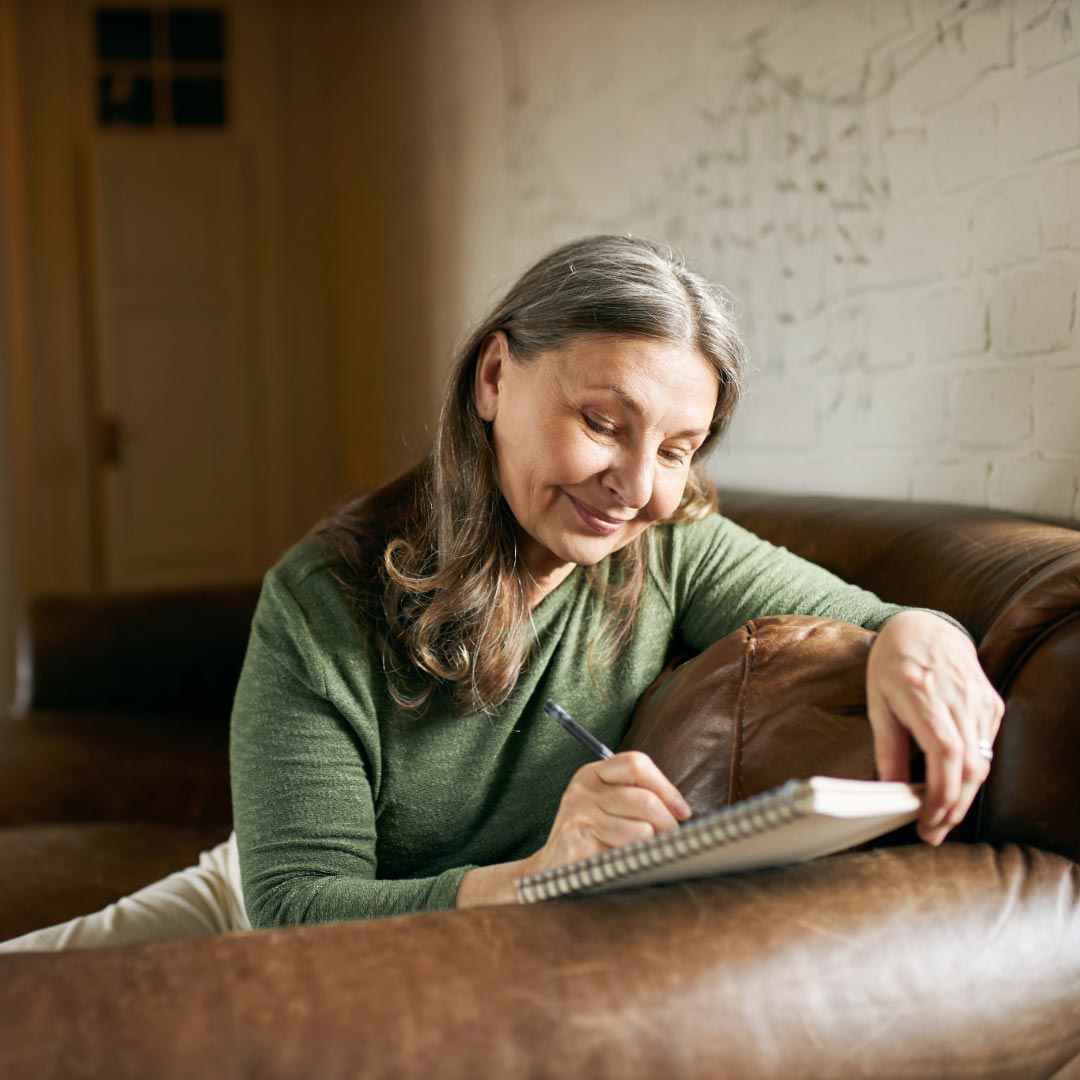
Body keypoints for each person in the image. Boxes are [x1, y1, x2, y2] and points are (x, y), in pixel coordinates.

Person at [0, 234, 1003, 949]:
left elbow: (874, 619)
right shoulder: (321, 599)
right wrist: (534, 880)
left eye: (676, 449)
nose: (636, 486)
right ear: (492, 379)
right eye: (602, 422)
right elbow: (295, 905)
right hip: (264, 903)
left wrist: (923, 638)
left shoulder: (671, 546)